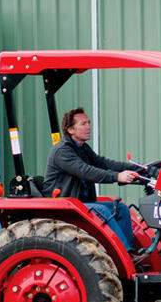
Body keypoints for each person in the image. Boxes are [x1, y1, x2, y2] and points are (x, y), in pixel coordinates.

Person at [44, 107, 142, 251]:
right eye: (83, 124)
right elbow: (86, 171)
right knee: (102, 210)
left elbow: (104, 163)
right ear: (70, 129)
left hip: (81, 202)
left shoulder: (82, 148)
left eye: (89, 123)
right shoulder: (62, 151)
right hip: (66, 204)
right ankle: (123, 252)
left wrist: (140, 168)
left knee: (120, 208)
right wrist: (117, 176)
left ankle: (131, 252)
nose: (89, 127)